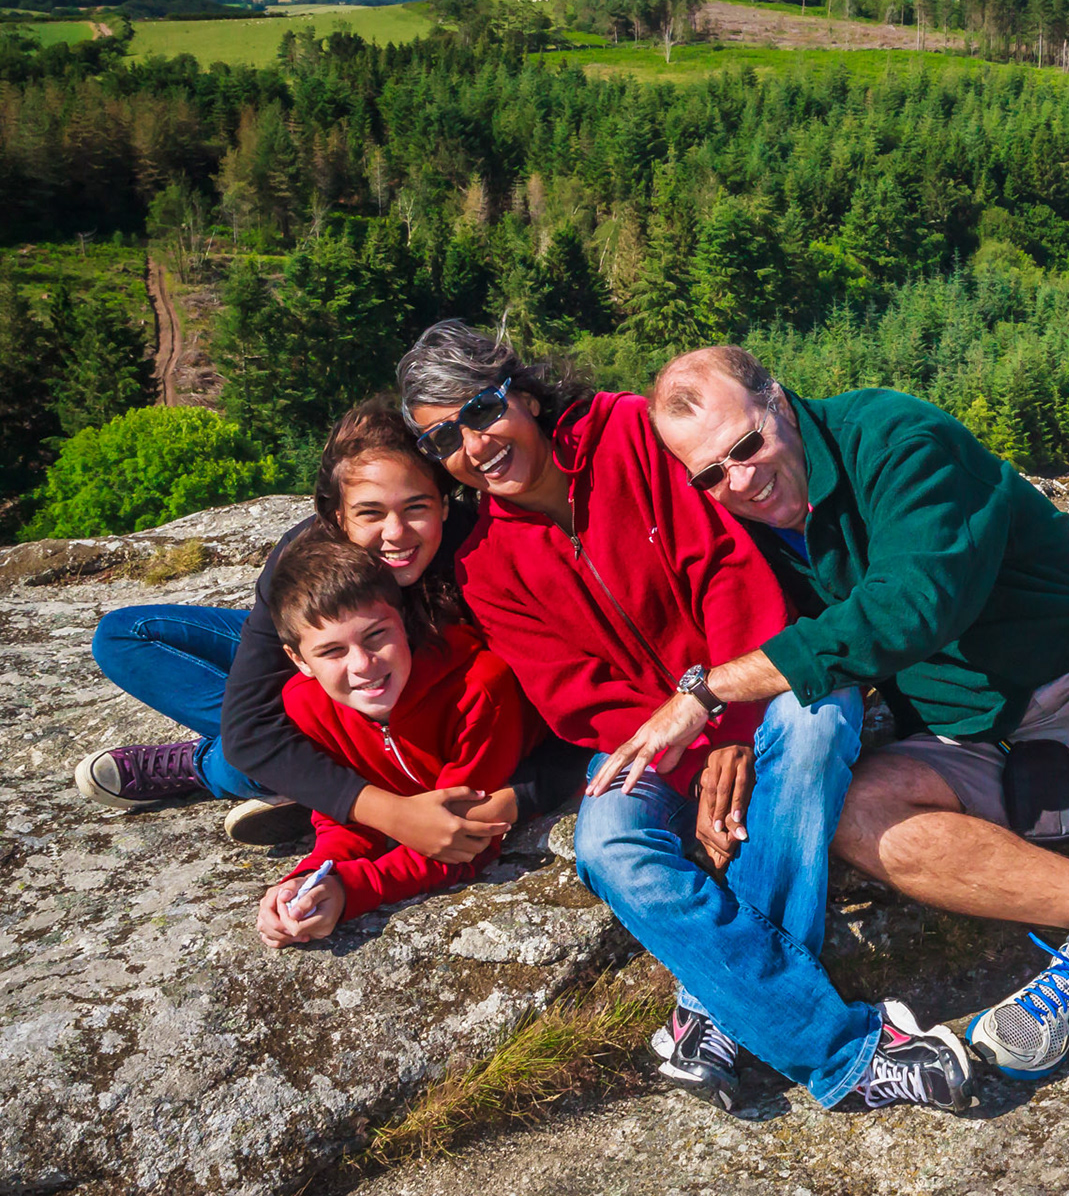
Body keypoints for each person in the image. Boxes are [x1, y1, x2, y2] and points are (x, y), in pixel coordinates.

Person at [632, 345, 1069, 1081]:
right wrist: (729, 742)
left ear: (778, 400)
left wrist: (708, 694)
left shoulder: (895, 437)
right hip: (972, 746)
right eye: (711, 474)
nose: (740, 479)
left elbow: (910, 608)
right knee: (858, 813)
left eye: (746, 445)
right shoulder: (754, 533)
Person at [397, 321, 975, 1114]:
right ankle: (839, 1050)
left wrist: (727, 727)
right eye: (443, 441)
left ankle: (711, 1013)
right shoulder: (484, 561)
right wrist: (700, 753)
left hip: (758, 685)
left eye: (482, 409)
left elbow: (730, 572)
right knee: (605, 843)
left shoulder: (629, 430)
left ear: (524, 396)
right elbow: (573, 694)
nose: (474, 443)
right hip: (643, 742)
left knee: (819, 717)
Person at [78, 395, 577, 852]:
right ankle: (293, 769)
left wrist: (516, 796)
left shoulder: (480, 557)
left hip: (409, 688)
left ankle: (214, 767)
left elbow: (559, 717)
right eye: (370, 513)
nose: (396, 533)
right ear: (336, 518)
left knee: (249, 753)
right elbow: (253, 728)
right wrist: (389, 812)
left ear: (444, 503)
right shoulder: (304, 558)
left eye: (416, 507)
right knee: (123, 636)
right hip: (333, 649)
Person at [254, 535, 541, 948]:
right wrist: (311, 880)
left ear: (403, 623)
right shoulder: (306, 704)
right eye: (332, 651)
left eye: (375, 636)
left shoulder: (478, 689)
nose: (362, 665)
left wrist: (353, 890)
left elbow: (466, 839)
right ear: (299, 661)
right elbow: (345, 814)